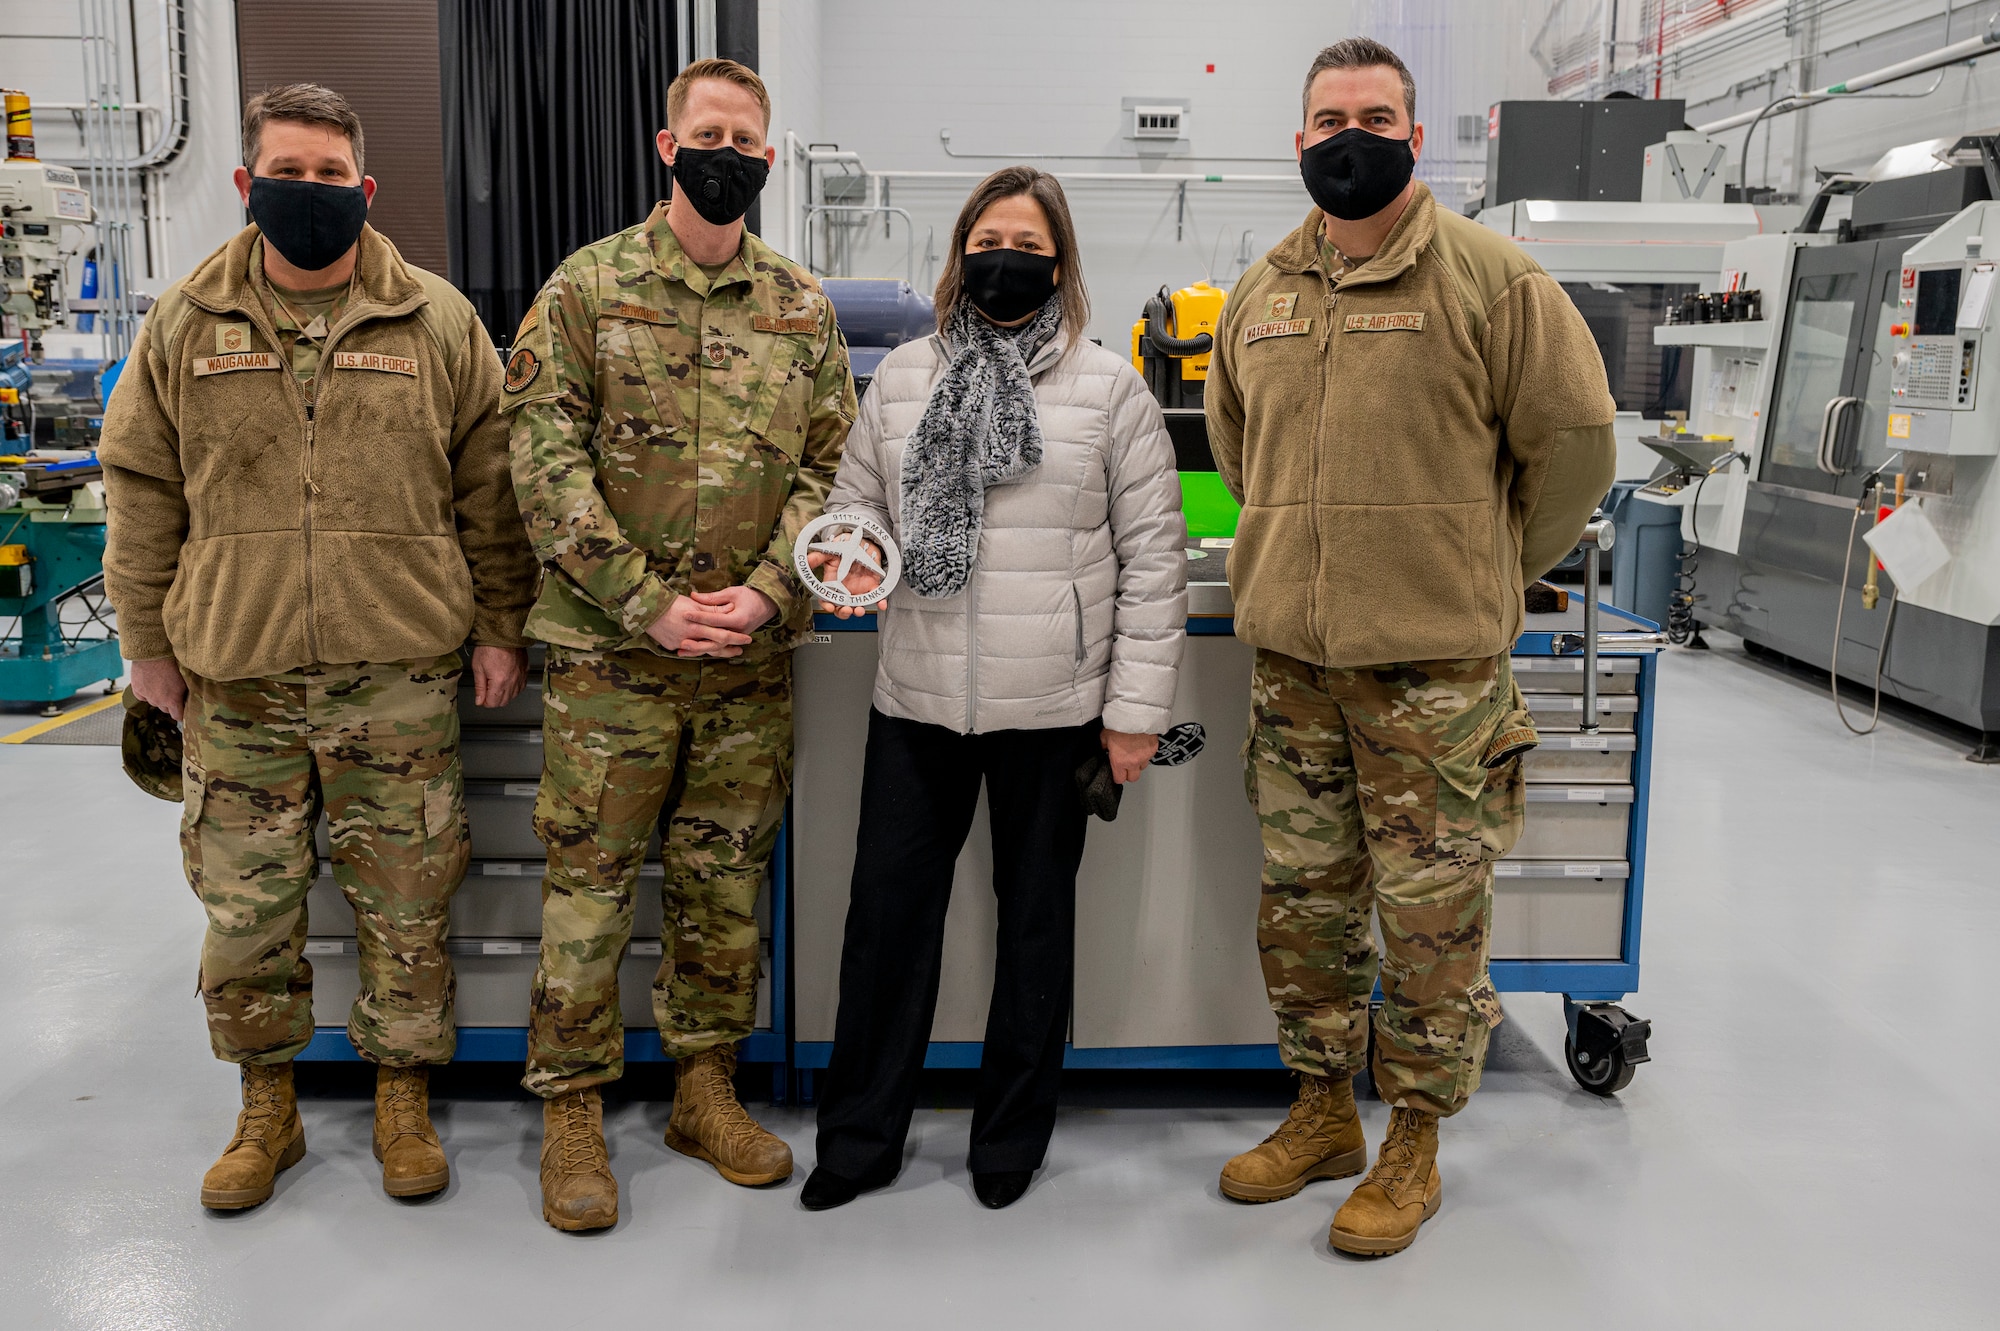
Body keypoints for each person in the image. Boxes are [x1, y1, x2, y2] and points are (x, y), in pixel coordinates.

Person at [1205, 39, 1617, 1257]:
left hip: (1433, 680)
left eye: (1373, 114)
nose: (1350, 134)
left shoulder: (1491, 283)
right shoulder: (1260, 289)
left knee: (1430, 923)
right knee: (1305, 906)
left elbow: (1576, 452)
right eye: (1327, 116)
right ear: (1296, 140)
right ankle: (1322, 1107)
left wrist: (1485, 570)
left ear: (1413, 134)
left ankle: (1414, 1140)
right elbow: (1240, 452)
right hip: (1293, 668)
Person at [100, 83, 536, 1210]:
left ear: (364, 189)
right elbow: (141, 490)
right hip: (234, 674)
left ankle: (401, 1096)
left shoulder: (435, 319)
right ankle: (266, 1106)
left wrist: (498, 623)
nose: (310, 193)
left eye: (331, 176)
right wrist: (146, 643)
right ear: (247, 184)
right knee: (247, 905)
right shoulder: (184, 324)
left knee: (405, 894)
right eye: (288, 173)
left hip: (395, 669)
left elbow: (490, 488)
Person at [503, 57, 854, 1232]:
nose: (728, 154)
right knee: (590, 891)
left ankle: (705, 1086)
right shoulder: (585, 290)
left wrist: (765, 594)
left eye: (746, 140)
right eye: (708, 134)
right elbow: (541, 464)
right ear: (666, 148)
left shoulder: (800, 305)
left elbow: (831, 470)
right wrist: (643, 599)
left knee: (721, 887)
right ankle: (571, 1107)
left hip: (747, 663)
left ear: (766, 155)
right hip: (613, 660)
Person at [799, 166, 1187, 1213]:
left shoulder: (1107, 387)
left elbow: (1154, 556)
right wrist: (843, 559)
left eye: (1024, 240)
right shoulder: (903, 377)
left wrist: (1134, 712)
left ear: (1057, 262)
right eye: (984, 238)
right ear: (958, 255)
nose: (1001, 257)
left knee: (1033, 928)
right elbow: (855, 505)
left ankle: (1009, 1135)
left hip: (1052, 708)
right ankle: (858, 1135)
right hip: (915, 697)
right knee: (884, 922)